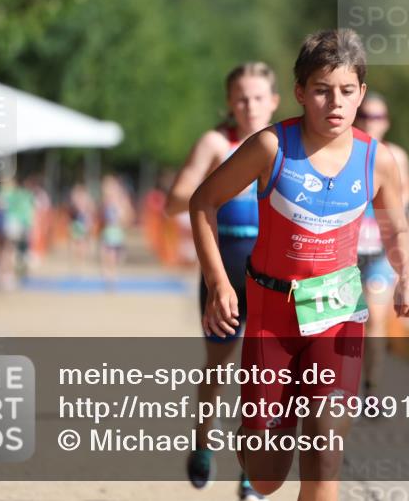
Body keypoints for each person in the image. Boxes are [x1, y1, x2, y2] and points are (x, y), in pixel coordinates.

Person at [189, 29, 409, 501]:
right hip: (271, 314)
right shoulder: (270, 147)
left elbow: (397, 229)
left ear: (361, 93)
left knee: (324, 455)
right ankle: (254, 433)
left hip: (337, 312)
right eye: (321, 90)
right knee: (266, 477)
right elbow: (203, 203)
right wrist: (219, 283)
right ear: (300, 93)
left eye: (346, 91)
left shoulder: (377, 160)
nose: (334, 103)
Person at [165, 62, 279, 500]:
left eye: (257, 97)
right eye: (241, 98)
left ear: (274, 101)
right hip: (224, 267)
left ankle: (251, 470)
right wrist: (225, 187)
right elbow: (177, 201)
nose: (249, 106)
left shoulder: (283, 144)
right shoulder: (217, 143)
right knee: (218, 366)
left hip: (271, 270)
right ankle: (202, 441)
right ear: (230, 103)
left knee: (265, 375)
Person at [352, 92, 409, 404]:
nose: (370, 122)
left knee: (375, 318)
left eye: (377, 117)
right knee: (347, 322)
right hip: (346, 252)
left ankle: (373, 386)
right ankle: (339, 385)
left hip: (379, 251)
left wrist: (387, 203)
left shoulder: (395, 156)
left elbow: (407, 196)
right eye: (364, 115)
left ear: (386, 122)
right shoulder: (345, 151)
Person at [99, 175, 134, 284]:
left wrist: (123, 218)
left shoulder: (122, 200)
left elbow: (129, 216)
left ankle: (112, 276)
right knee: (106, 255)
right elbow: (102, 216)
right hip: (107, 232)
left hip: (117, 232)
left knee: (113, 257)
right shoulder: (105, 201)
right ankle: (109, 277)